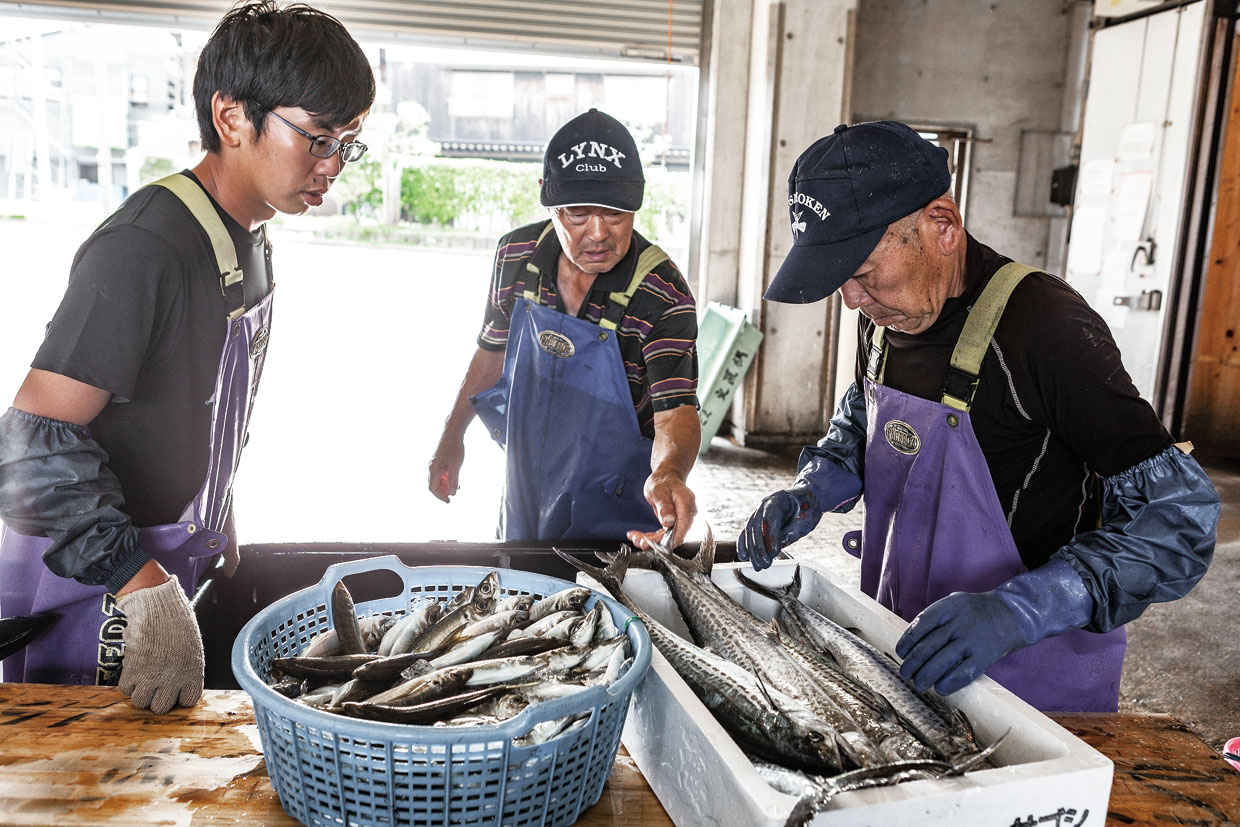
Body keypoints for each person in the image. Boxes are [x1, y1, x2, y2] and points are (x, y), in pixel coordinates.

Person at [737, 121, 1220, 712]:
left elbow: (1180, 520)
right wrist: (810, 491)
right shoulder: (888, 318)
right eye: (841, 282)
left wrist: (1024, 608)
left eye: (862, 274)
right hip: (905, 651)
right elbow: (864, 426)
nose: (853, 301)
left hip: (1032, 683)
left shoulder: (1046, 327)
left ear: (941, 226)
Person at [0, 1, 375, 713]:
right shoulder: (146, 247)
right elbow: (28, 443)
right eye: (317, 138)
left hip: (176, 555)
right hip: (94, 583)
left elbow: (190, 401)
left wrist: (218, 513)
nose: (332, 165)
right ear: (232, 116)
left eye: (346, 142)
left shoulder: (249, 236)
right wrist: (140, 587)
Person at [429, 109, 700, 550]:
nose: (598, 234)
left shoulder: (661, 293)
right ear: (548, 199)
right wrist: (451, 435)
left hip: (620, 508)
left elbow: (676, 412)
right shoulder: (515, 256)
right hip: (526, 486)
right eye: (577, 213)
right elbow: (490, 354)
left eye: (615, 214)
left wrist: (669, 473)